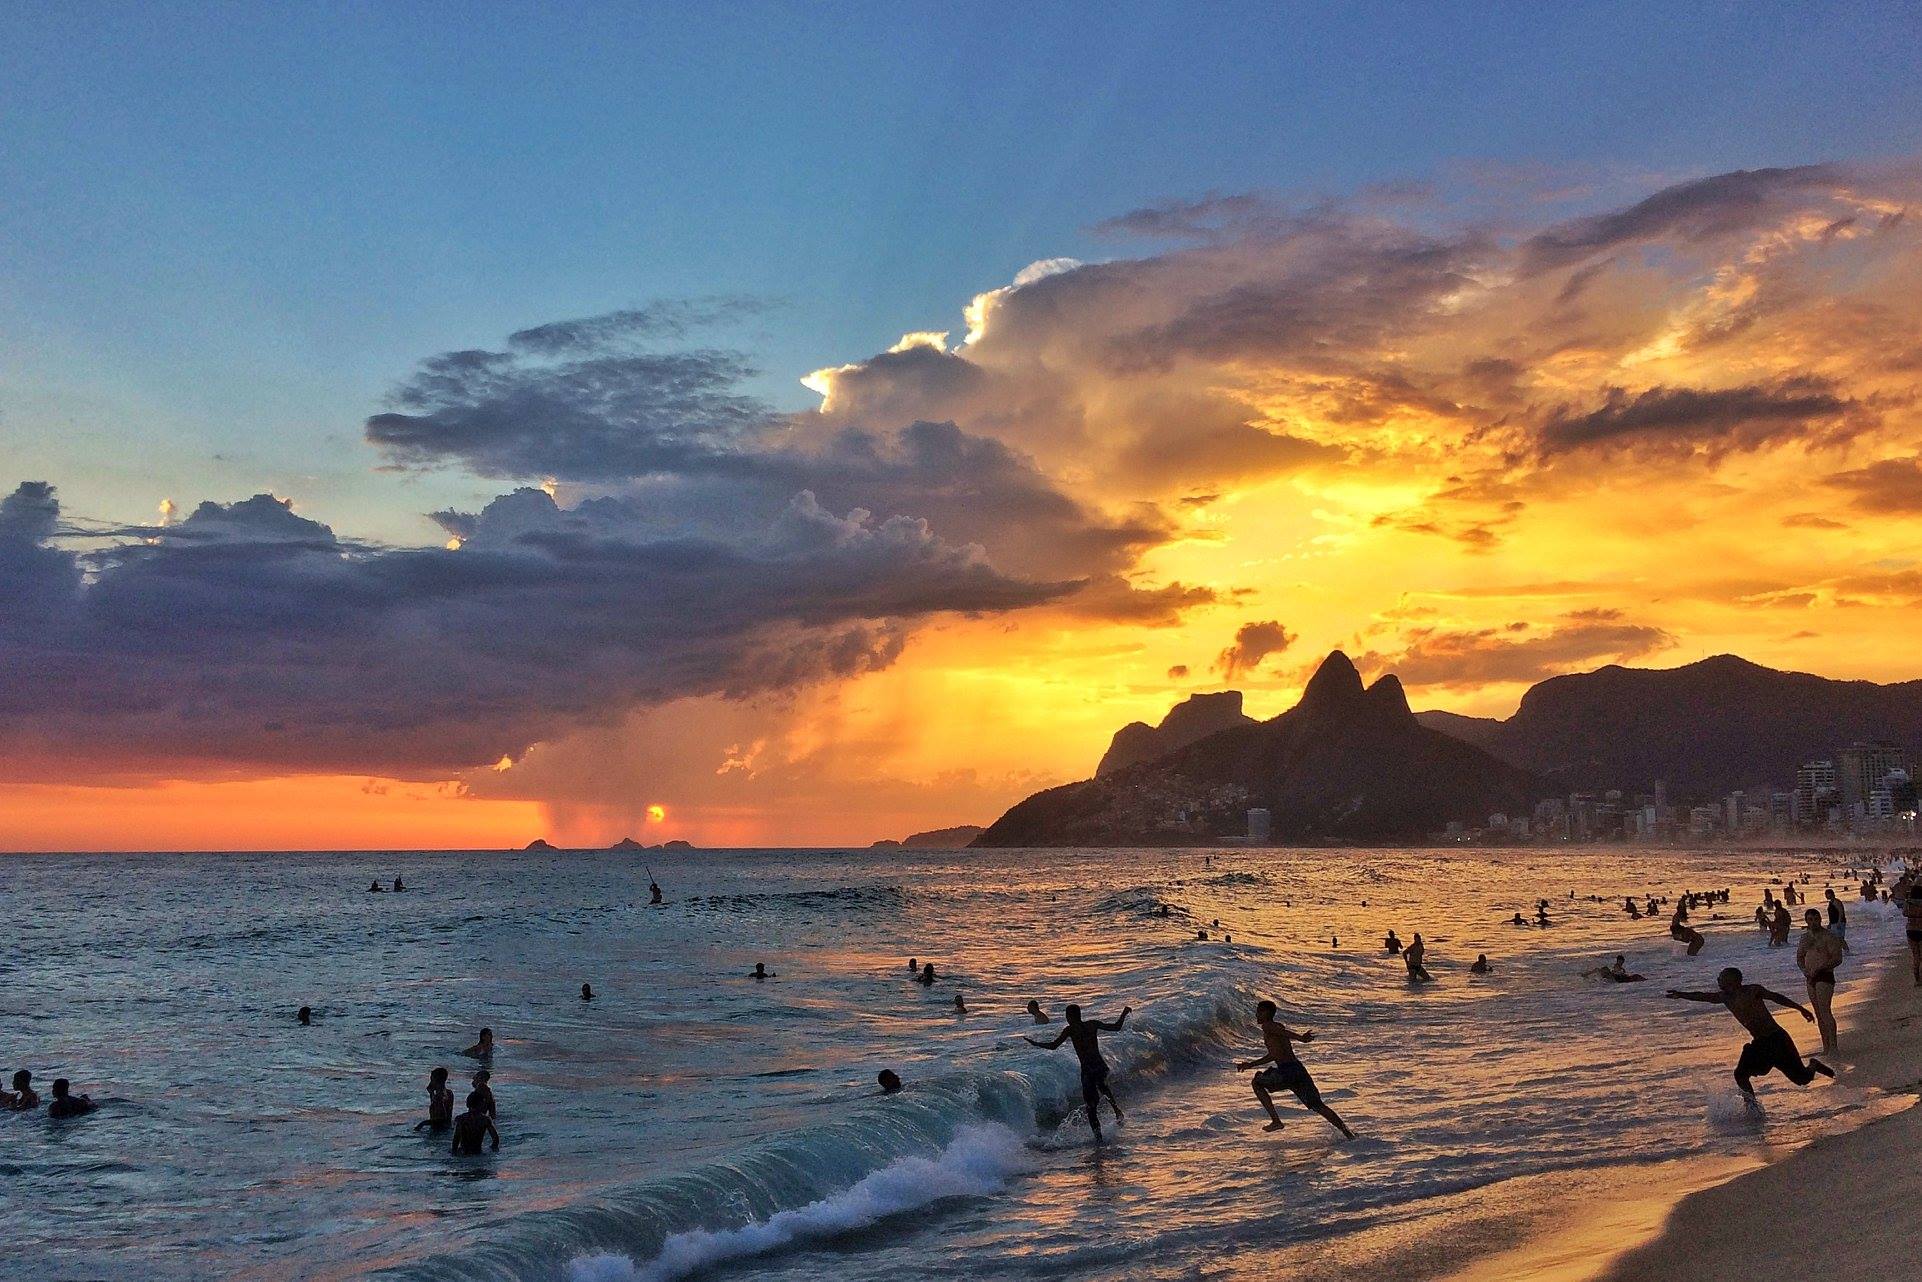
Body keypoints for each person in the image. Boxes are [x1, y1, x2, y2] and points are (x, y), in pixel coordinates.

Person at [1666, 967, 1833, 1105]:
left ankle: (1813, 1065)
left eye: (1721, 977)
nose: (1718, 980)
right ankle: (1753, 1107)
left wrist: (1800, 1009)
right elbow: (1702, 996)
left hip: (1777, 1040)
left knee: (1802, 1080)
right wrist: (1681, 994)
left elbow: (1776, 997)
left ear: (1732, 981)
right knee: (1740, 1074)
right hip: (1760, 1043)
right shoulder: (1725, 997)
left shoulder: (1753, 991)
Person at [1234, 999, 1355, 1137]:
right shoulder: (1277, 1028)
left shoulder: (1268, 1026)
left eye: (1258, 1012)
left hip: (1286, 1072)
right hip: (1298, 1070)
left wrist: (1301, 1038)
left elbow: (1285, 1034)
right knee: (1318, 1106)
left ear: (1266, 1013)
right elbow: (1274, 1054)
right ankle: (1348, 1133)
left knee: (1257, 1082)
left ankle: (1276, 1121)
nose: (1256, 1015)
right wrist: (1250, 1064)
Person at [1025, 1003, 1130, 1141]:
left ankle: (1099, 1139)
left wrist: (1036, 1044)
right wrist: (1124, 1013)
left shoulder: (1070, 1030)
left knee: (1090, 1108)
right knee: (1103, 1087)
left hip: (1087, 1070)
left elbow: (1053, 1046)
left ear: (1069, 1017)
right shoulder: (1092, 1024)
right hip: (1100, 1065)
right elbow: (1116, 1027)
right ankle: (1117, 1111)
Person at [1796, 909, 1844, 1055]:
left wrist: (1821, 967)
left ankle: (1834, 1047)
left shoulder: (1829, 936)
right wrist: (1804, 970)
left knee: (1825, 1011)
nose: (1813, 922)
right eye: (1810, 919)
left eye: (1815, 919)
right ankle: (1826, 1047)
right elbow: (1799, 957)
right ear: (1806, 921)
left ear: (1820, 919)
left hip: (1824, 975)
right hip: (1810, 976)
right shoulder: (1804, 938)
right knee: (1818, 1013)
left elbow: (1837, 959)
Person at [451, 1091, 500, 1155]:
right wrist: (492, 1149)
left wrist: (454, 1153)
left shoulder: (461, 1119)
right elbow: (495, 1139)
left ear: (467, 1104)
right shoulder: (485, 1120)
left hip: (464, 1153)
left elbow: (455, 1140)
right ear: (482, 1104)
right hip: (478, 1152)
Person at [414, 1067, 455, 1131]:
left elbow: (441, 1119)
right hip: (446, 1129)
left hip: (438, 1131)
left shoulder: (439, 1097)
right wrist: (431, 1093)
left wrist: (422, 1124)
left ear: (436, 1081)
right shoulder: (449, 1093)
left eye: (431, 1080)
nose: (430, 1083)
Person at [1904, 881, 1922, 987]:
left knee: (1915, 956)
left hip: (1911, 930)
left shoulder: (1908, 903)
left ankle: (1917, 980)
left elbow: (1904, 913)